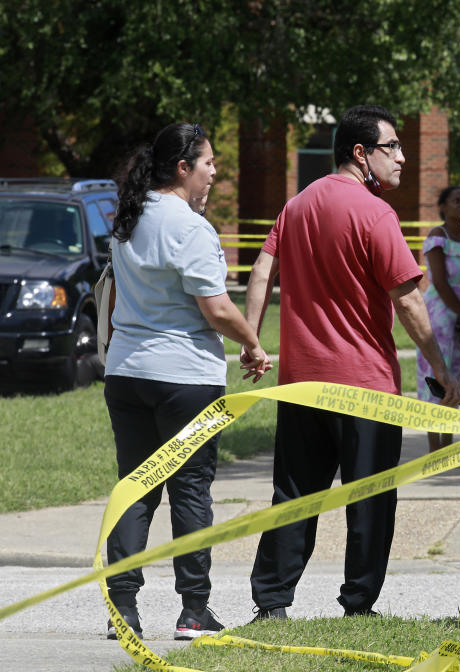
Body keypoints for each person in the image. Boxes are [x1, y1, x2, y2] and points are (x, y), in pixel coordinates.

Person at [244, 105, 460, 620]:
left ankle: (272, 603)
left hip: (302, 382)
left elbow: (261, 269)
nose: (403, 159)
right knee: (369, 499)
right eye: (393, 148)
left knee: (295, 495)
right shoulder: (375, 213)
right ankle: (358, 604)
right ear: (361, 153)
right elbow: (409, 300)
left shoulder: (296, 205)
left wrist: (252, 340)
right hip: (365, 386)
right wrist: (440, 369)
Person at [104, 122, 270, 640]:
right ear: (183, 168)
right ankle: (194, 612)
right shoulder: (191, 226)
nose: (214, 173)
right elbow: (216, 308)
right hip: (185, 381)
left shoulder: (127, 219)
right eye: (208, 163)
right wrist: (253, 343)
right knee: (191, 491)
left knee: (136, 489)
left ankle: (123, 610)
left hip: (127, 372)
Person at [417, 186, 460, 453]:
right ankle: (434, 450)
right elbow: (439, 282)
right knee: (436, 378)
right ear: (443, 206)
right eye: (456, 200)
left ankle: (449, 447)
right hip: (440, 317)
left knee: (457, 378)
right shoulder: (437, 236)